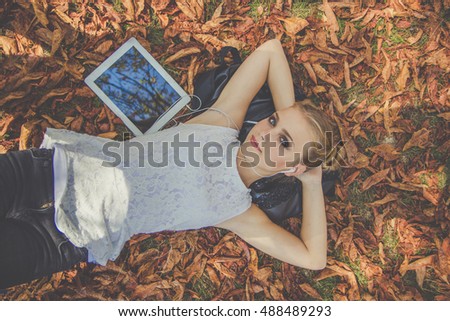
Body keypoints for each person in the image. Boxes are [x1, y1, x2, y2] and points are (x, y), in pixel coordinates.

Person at [0, 39, 340, 289]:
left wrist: (309, 181)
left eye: (283, 143)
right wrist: (292, 114)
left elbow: (313, 258)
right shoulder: (220, 123)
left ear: (291, 168)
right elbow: (270, 51)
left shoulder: (238, 212)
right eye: (272, 120)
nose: (265, 133)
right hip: (44, 173)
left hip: (61, 240)